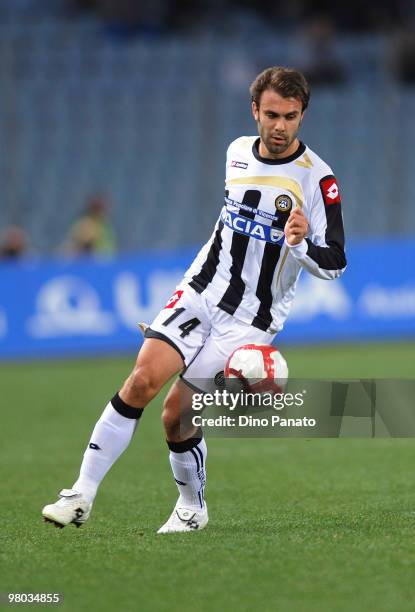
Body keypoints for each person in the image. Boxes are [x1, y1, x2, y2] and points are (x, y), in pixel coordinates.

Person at [42, 66, 346, 533]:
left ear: (303, 114)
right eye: (270, 114)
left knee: (173, 418)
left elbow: (336, 262)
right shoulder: (237, 153)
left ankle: (191, 507)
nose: (279, 126)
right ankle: (80, 494)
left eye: (289, 116)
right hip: (202, 290)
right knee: (141, 380)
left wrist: (302, 243)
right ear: (254, 111)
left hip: (250, 319)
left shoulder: (318, 181)